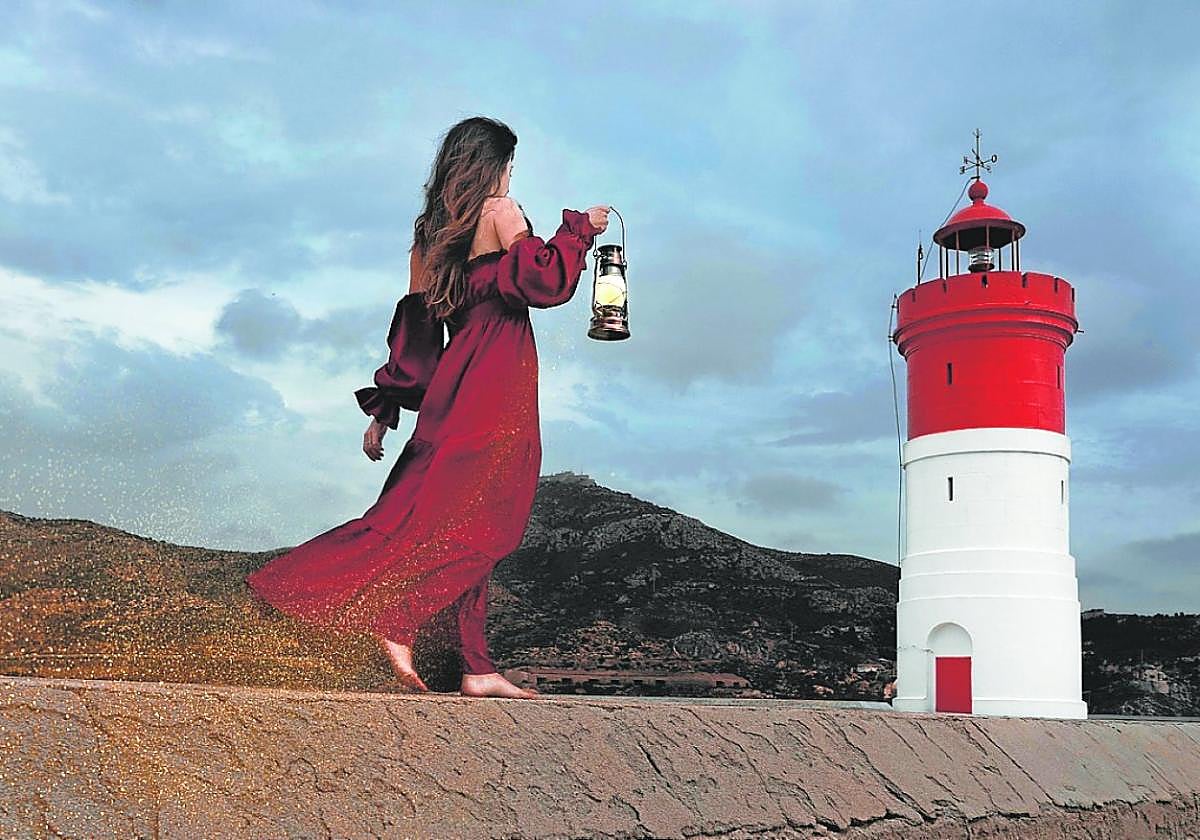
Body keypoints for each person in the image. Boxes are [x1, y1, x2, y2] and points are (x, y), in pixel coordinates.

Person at [245, 116, 610, 699]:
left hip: (452, 387)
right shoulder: (501, 212)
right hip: (498, 379)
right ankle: (396, 619)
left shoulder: (428, 239)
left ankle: (477, 666)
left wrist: (386, 408)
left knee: (438, 515)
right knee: (492, 519)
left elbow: (417, 335)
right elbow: (542, 285)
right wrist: (578, 231)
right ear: (496, 166)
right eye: (510, 164)